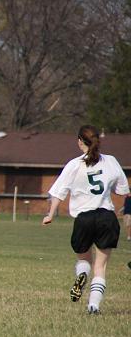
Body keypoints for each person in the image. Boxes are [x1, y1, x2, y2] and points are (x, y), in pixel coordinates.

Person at [42, 124, 129, 315]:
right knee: (101, 266)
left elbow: (59, 192)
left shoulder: (74, 164)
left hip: (84, 218)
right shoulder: (111, 161)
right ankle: (94, 305)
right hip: (106, 217)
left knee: (84, 259)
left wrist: (50, 214)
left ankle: (82, 274)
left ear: (80, 141)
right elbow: (123, 190)